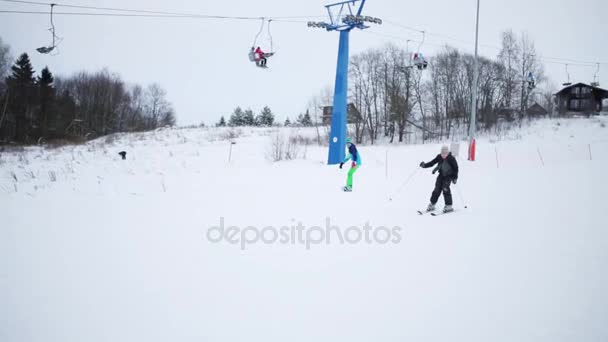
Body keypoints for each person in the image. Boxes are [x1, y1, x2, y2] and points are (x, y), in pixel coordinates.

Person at [419, 145, 459, 213]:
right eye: (442, 153)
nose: (443, 154)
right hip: (441, 175)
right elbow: (432, 163)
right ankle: (432, 204)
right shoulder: (439, 156)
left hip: (448, 176)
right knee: (437, 189)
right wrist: (424, 165)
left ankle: (449, 205)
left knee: (445, 189)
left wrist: (455, 178)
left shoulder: (451, 158)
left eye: (445, 153)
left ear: (447, 152)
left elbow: (456, 168)